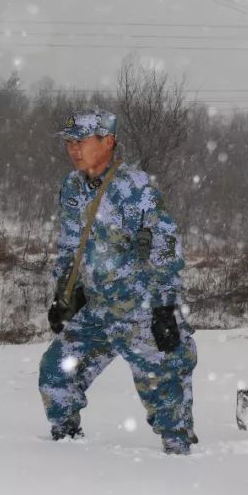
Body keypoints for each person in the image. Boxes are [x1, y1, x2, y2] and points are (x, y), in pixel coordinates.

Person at [38, 108, 197, 455]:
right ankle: (63, 449)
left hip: (137, 308)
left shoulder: (135, 189)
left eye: (81, 142)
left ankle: (180, 455)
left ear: (107, 141)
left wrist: (164, 307)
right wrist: (64, 295)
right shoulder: (71, 188)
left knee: (163, 390)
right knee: (56, 371)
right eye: (69, 143)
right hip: (95, 308)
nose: (73, 149)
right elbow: (68, 246)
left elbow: (165, 248)